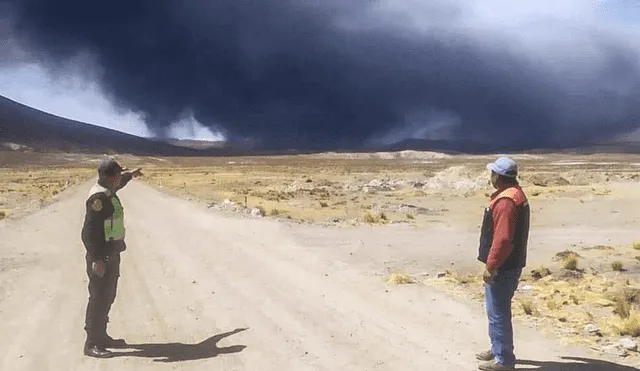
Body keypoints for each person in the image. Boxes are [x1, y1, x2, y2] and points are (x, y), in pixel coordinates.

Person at [81, 157, 142, 358]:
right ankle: (91, 343)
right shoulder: (98, 199)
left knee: (108, 295)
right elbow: (88, 233)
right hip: (101, 257)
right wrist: (97, 259)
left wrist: (131, 175)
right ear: (107, 177)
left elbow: (121, 182)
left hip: (111, 253)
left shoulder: (108, 190)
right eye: (116, 176)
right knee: (98, 297)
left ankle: (101, 336)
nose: (118, 179)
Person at [475, 156, 530, 371]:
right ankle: (497, 347)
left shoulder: (506, 201)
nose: (491, 177)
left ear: (498, 176)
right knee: (496, 309)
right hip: (512, 262)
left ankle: (504, 360)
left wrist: (491, 265)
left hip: (503, 265)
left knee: (498, 310)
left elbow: (503, 239)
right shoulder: (515, 194)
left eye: (493, 173)